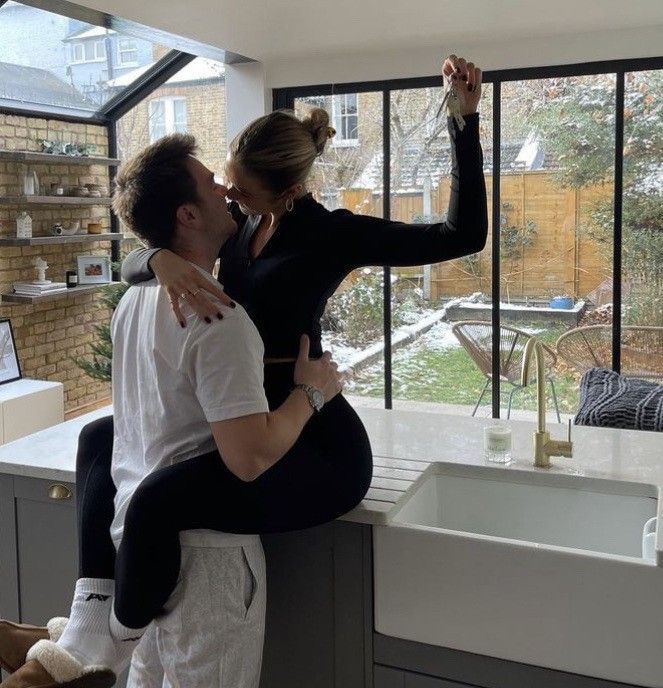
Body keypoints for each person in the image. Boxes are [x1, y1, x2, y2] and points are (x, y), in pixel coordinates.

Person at [0, 54, 487, 685]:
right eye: (224, 184)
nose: (228, 195)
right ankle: (89, 618)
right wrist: (157, 261)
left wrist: (463, 122)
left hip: (312, 436)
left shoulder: (332, 234)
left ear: (286, 191)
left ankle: (91, 654)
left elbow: (461, 234)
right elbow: (163, 244)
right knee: (98, 438)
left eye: (242, 189)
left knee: (158, 500)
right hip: (249, 415)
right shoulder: (237, 228)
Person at [0, 135, 345, 688]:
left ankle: (78, 644)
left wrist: (154, 256)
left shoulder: (134, 302)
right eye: (211, 184)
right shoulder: (218, 319)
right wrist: (311, 392)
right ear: (188, 214)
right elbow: (249, 458)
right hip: (207, 562)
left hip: (136, 550)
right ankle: (73, 650)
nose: (224, 188)